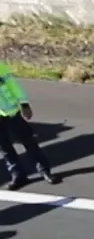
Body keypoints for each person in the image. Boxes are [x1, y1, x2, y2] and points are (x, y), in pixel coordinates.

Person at [0, 61, 58, 191]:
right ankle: (18, 175)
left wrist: (24, 103)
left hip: (12, 113)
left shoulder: (0, 67)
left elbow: (13, 85)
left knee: (29, 142)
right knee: (5, 149)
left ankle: (45, 171)